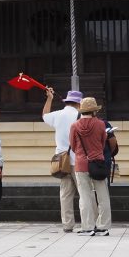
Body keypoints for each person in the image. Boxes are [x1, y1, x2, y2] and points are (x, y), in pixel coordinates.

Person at [68, 96, 112, 236]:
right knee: (103, 195)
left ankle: (87, 227)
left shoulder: (74, 125)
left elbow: (73, 146)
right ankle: (103, 226)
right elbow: (103, 141)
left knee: (85, 196)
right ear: (94, 111)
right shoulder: (100, 124)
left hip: (81, 163)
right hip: (98, 163)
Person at [42, 87, 82, 233]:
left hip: (61, 161)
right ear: (79, 103)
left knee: (65, 194)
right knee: (84, 193)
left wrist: (49, 98)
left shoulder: (58, 115)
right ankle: (87, 223)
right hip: (78, 160)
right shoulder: (80, 116)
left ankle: (67, 225)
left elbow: (44, 115)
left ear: (67, 101)